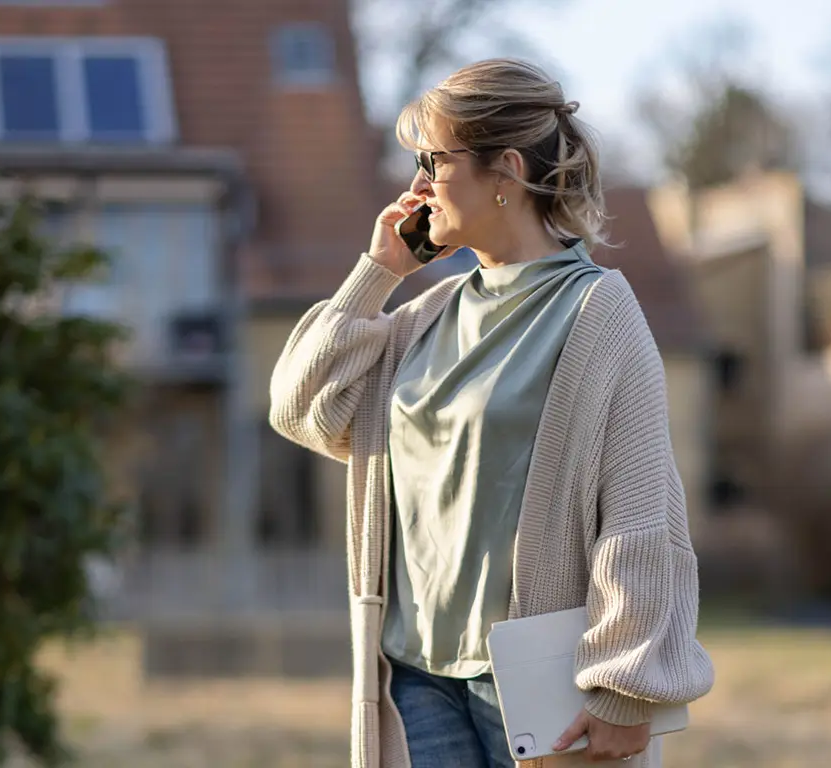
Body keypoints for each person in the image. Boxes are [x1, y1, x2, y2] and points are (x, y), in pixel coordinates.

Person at [269, 58, 714, 768]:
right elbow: (303, 409)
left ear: (504, 170)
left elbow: (641, 517)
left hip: (543, 689)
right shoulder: (423, 317)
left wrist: (629, 688)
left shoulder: (599, 312)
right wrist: (378, 271)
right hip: (411, 682)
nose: (415, 185)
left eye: (432, 160)